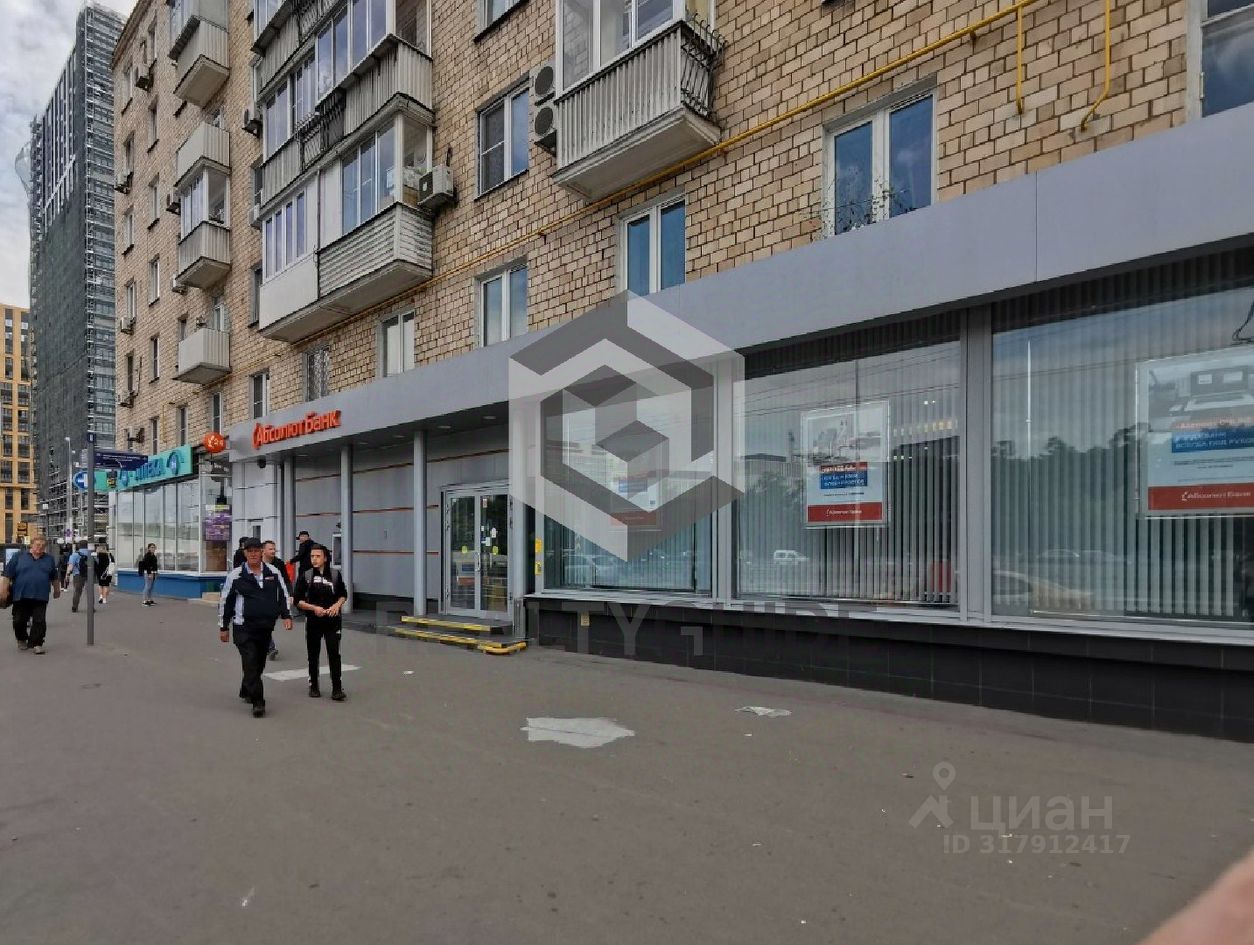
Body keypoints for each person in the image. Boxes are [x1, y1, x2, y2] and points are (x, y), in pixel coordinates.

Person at [218, 538, 293, 718]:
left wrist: (286, 615)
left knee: (258, 663)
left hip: (265, 627)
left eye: (256, 550)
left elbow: (283, 594)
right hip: (243, 627)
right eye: (249, 551)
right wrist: (223, 626)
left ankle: (246, 688)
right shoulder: (236, 575)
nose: (253, 554)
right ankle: (258, 702)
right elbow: (225, 602)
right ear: (244, 553)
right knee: (251, 661)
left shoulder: (273, 571)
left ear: (261, 552)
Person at [293, 544, 348, 701]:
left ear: (325, 558)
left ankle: (337, 689)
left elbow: (343, 594)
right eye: (312, 556)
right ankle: (314, 686)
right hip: (313, 622)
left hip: (332, 622)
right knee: (313, 655)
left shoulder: (335, 575)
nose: (314, 559)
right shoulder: (306, 575)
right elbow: (297, 600)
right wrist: (313, 608)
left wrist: (337, 606)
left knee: (334, 654)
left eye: (318, 556)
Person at [1, 536, 62, 654]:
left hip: (41, 595)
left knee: (39, 620)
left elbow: (54, 576)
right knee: (19, 620)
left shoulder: (49, 559)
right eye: (38, 544)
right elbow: (7, 575)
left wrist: (57, 590)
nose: (40, 547)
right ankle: (21, 638)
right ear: (31, 545)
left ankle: (37, 643)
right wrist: (3, 591)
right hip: (21, 594)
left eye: (43, 546)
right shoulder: (18, 556)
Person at [261, 540, 291, 661]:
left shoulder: (279, 563)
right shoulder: (255, 563)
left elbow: (286, 580)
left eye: (274, 549)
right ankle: (270, 648)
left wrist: (290, 594)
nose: (273, 551)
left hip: (272, 599)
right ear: (263, 551)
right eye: (270, 549)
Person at [67, 541, 89, 612]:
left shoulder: (75, 554)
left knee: (77, 591)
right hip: (89, 574)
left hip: (78, 575)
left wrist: (68, 574)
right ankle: (91, 607)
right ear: (87, 545)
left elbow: (71, 565)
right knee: (89, 591)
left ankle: (74, 607)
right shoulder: (91, 553)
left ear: (79, 546)